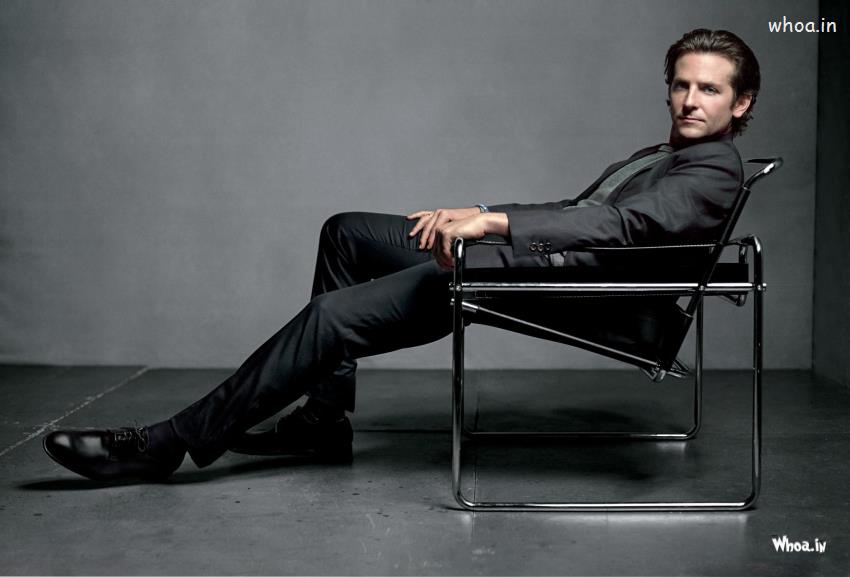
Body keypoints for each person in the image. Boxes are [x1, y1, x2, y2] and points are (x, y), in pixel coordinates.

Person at [43, 28, 761, 481]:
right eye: (681, 84)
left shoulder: (714, 167)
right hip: (541, 263)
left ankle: (168, 443)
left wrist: (489, 227)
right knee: (348, 232)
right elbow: (583, 213)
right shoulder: (673, 155)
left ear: (741, 103)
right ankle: (322, 421)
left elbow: (622, 227)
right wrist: (478, 212)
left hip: (559, 290)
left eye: (709, 89)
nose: (690, 100)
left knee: (332, 317)